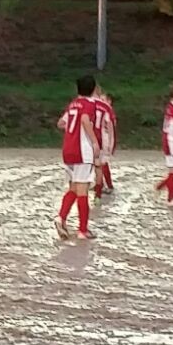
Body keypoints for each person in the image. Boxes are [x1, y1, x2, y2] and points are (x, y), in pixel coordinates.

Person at [55, 75, 101, 241]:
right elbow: (85, 120)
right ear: (93, 89)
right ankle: (83, 230)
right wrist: (95, 142)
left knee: (74, 188)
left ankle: (61, 218)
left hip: (68, 150)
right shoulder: (90, 104)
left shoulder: (73, 104)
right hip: (83, 151)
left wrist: (72, 131)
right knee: (83, 190)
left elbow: (61, 123)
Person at [93, 90, 118, 200]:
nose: (101, 102)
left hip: (105, 139)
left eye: (104, 100)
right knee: (98, 163)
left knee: (103, 163)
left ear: (109, 101)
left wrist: (111, 144)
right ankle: (101, 184)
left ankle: (109, 185)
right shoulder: (101, 110)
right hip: (100, 138)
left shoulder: (109, 112)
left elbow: (112, 128)